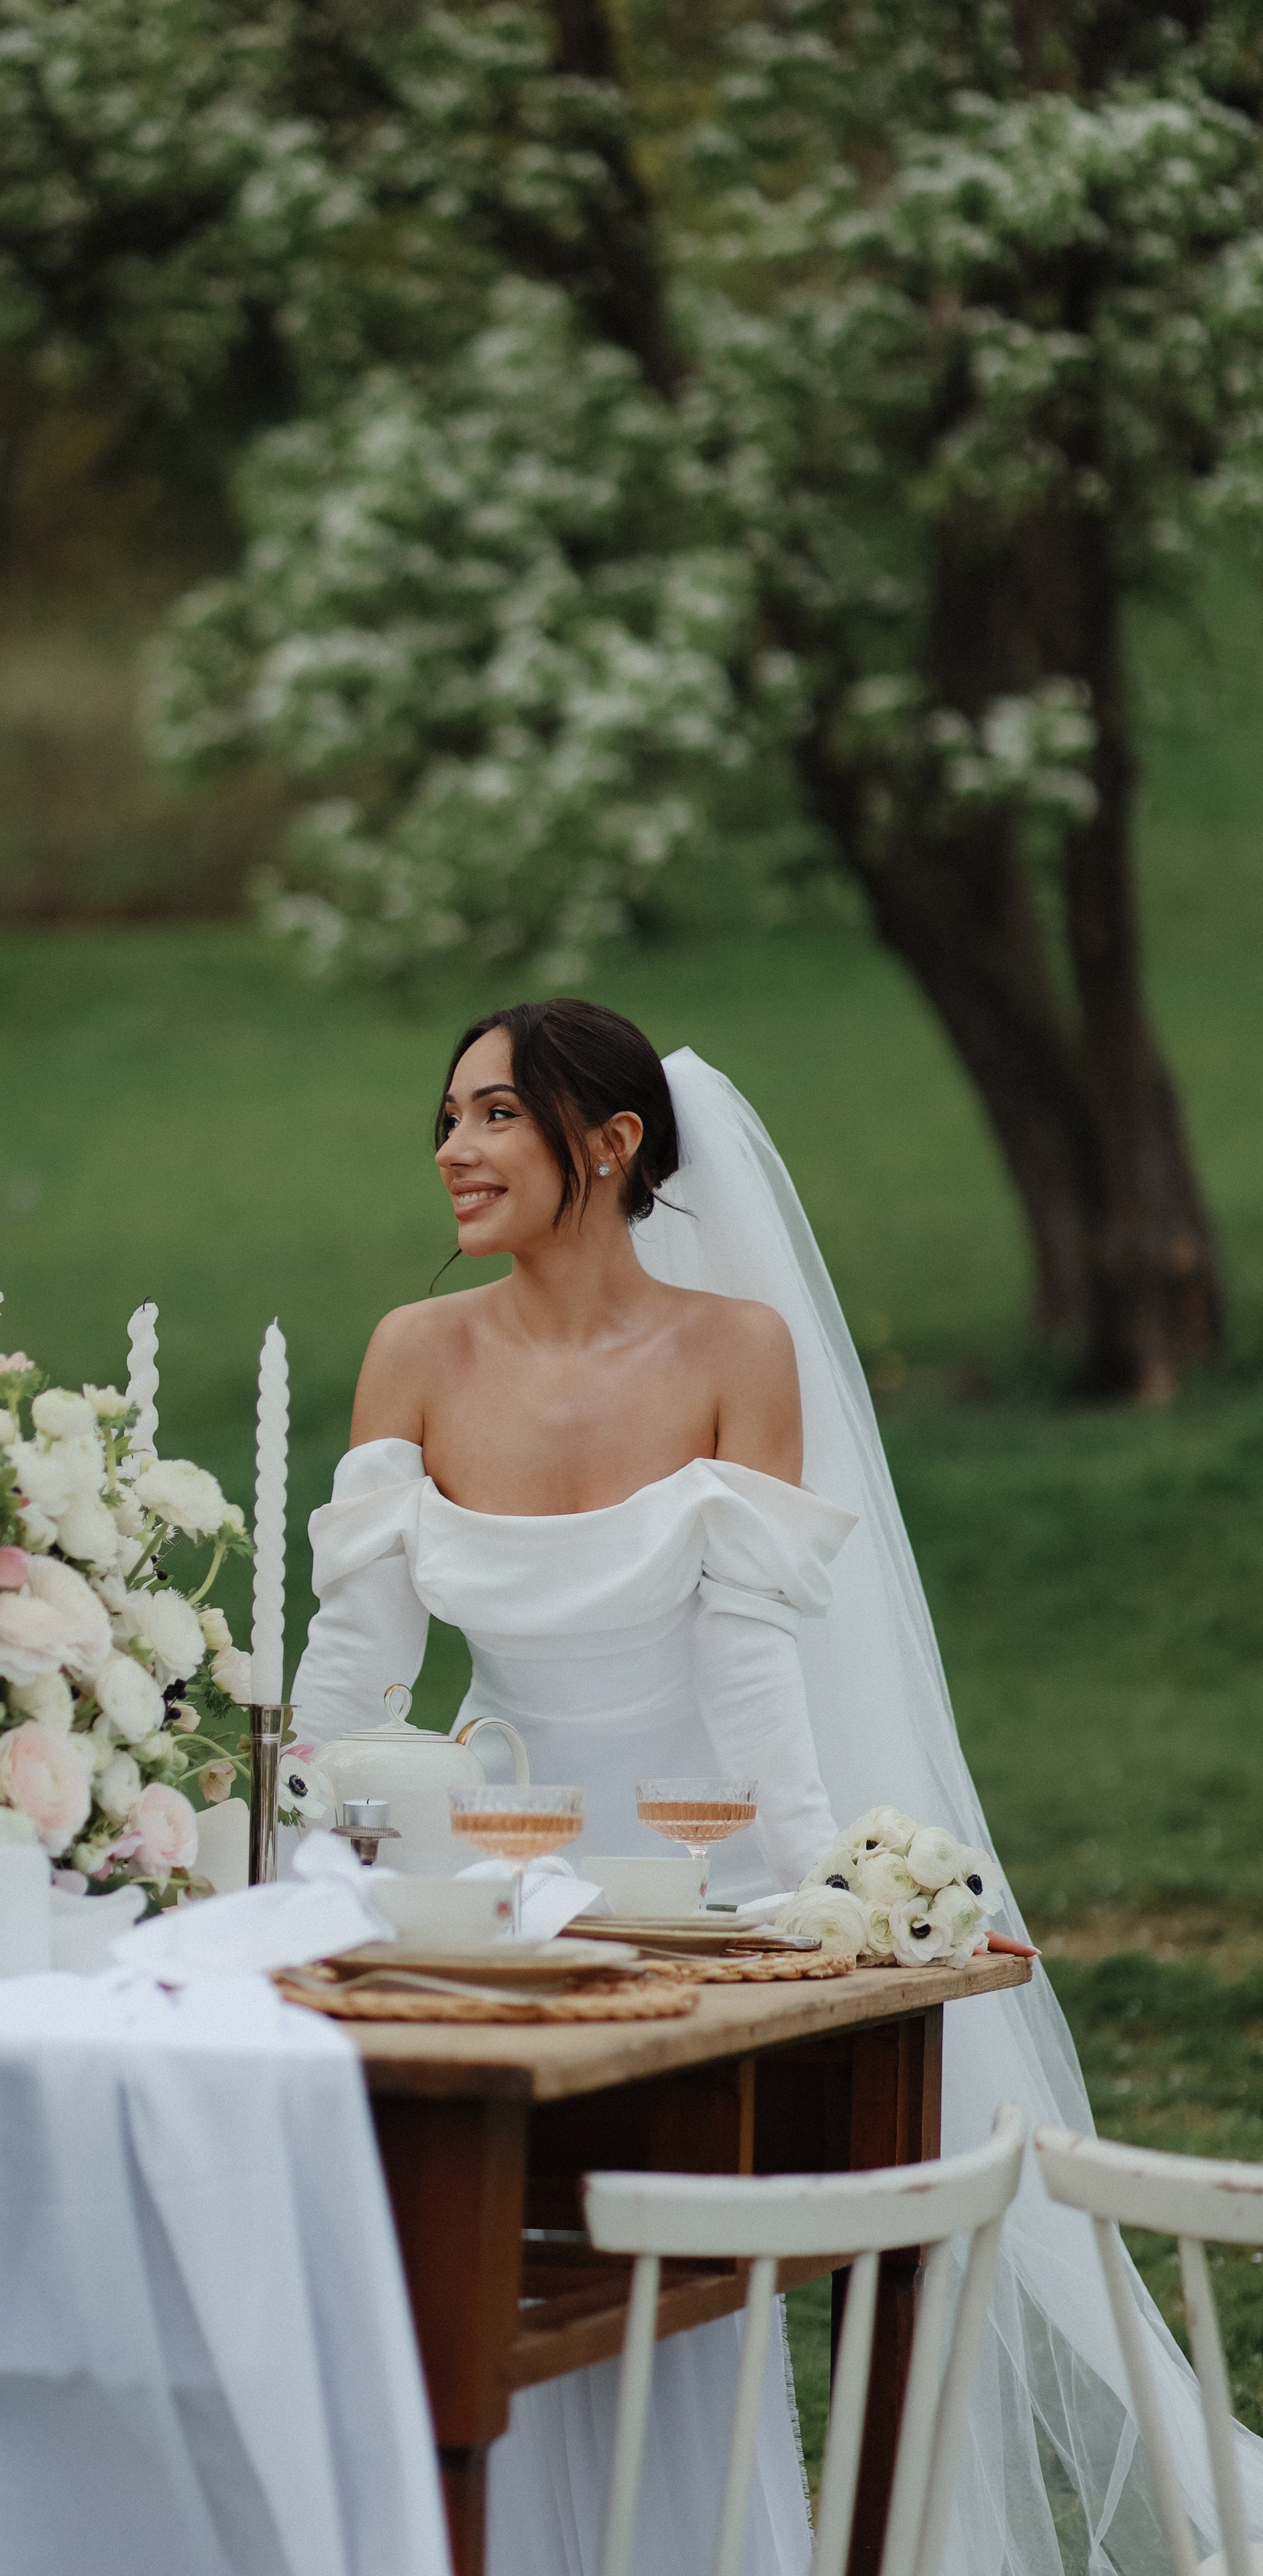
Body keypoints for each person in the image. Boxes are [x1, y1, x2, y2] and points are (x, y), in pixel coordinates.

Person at [290, 998, 1263, 2576]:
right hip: (490, 1897)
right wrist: (273, 1833)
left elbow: (752, 1670)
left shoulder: (733, 1350)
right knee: (469, 2264)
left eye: (492, 1118)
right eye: (449, 1118)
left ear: (606, 1148)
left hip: (701, 1896)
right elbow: (354, 1675)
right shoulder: (414, 1352)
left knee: (671, 2289)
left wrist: (822, 1883)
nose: (451, 1152)